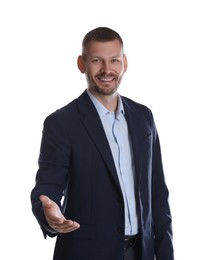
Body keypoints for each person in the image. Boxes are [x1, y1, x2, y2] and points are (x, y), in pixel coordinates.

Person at [31, 26, 174, 260]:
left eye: (114, 60)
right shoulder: (61, 123)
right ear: (81, 64)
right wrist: (49, 214)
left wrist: (166, 255)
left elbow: (158, 193)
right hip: (87, 253)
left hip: (142, 252)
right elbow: (49, 184)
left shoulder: (143, 117)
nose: (107, 70)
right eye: (97, 60)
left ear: (124, 63)